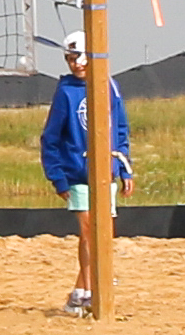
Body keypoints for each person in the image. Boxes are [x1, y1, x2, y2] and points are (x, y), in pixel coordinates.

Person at [39, 38, 132, 316]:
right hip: (78, 173)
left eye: (79, 57)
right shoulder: (66, 91)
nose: (75, 64)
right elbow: (51, 138)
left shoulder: (109, 85)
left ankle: (80, 292)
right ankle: (92, 290)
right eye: (70, 59)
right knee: (90, 231)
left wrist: (124, 167)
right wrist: (57, 177)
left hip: (106, 171)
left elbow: (120, 129)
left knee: (102, 233)